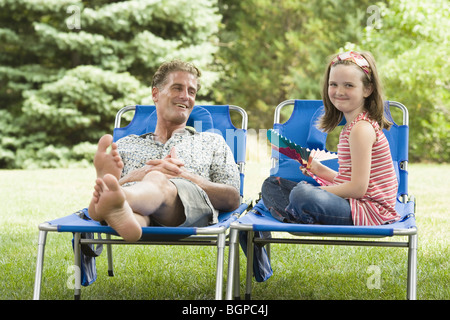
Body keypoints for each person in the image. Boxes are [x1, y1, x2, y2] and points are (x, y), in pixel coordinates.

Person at [88, 60, 240, 241]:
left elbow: (233, 199)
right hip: (136, 209)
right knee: (133, 211)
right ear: (155, 94)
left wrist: (184, 176)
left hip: (188, 209)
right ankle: (130, 218)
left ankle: (116, 198)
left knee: (155, 178)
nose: (186, 96)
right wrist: (132, 177)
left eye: (192, 91)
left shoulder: (212, 141)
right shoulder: (126, 145)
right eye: (177, 88)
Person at [262, 51, 400, 226]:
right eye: (333, 84)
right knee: (272, 184)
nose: (339, 91)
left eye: (349, 85)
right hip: (355, 203)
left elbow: (358, 189)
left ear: (367, 89)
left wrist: (317, 191)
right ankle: (298, 212)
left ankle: (299, 211)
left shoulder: (361, 129)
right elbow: (349, 181)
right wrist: (318, 169)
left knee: (302, 193)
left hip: (369, 211)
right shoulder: (353, 126)